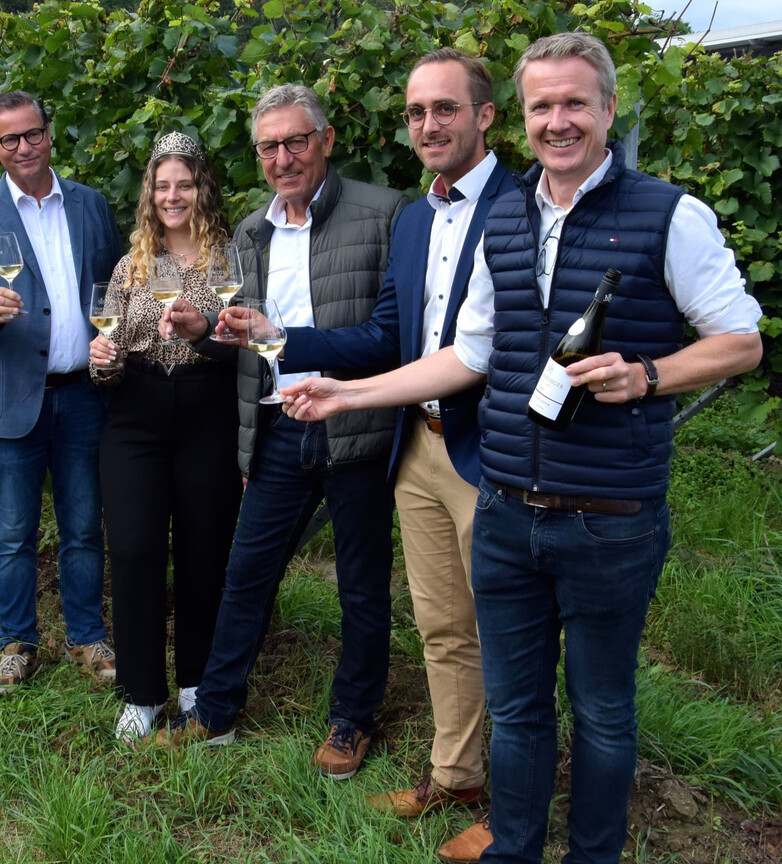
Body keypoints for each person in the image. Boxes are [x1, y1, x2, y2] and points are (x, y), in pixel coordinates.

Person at [282, 32, 763, 864]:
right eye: (544, 105)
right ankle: (515, 848)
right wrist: (346, 392)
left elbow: (741, 340)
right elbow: (467, 354)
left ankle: (592, 854)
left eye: (575, 102)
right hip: (508, 507)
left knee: (604, 713)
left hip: (610, 517)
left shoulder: (667, 213)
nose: (559, 120)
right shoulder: (504, 218)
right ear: (524, 118)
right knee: (517, 709)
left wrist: (649, 375)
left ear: (608, 109)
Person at [260, 49, 517, 820]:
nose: (429, 124)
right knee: (441, 627)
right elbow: (385, 336)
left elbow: (483, 353)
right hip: (420, 447)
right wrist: (286, 339)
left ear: (485, 115)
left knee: (509, 632)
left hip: (492, 452)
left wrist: (345, 394)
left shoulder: (523, 203)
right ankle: (457, 775)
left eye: (445, 108)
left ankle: (516, 803)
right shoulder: (415, 219)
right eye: (416, 112)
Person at [152, 84, 408, 781]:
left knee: (360, 586)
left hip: (353, 421)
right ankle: (215, 710)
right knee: (247, 576)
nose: (283, 157)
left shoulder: (383, 215)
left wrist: (286, 338)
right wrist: (207, 332)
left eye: (297, 141)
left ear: (325, 141)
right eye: (269, 146)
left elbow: (392, 338)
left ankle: (352, 719)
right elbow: (247, 341)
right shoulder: (248, 232)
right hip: (276, 428)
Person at [0, 91, 122, 694]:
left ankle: (87, 636)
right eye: (8, 140)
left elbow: (115, 287)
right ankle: (17, 643)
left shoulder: (91, 205)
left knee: (82, 525)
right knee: (14, 532)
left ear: (50, 133)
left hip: (81, 396)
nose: (23, 147)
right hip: (7, 396)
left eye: (32, 134)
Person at [88, 132, 241, 742]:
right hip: (136, 414)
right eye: (161, 184)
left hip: (207, 408)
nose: (171, 195)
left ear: (200, 187)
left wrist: (205, 330)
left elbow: (244, 346)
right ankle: (142, 692)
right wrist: (102, 358)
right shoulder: (132, 265)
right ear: (149, 193)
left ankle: (199, 686)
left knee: (204, 551)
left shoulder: (229, 258)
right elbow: (110, 363)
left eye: (183, 183)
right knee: (132, 548)